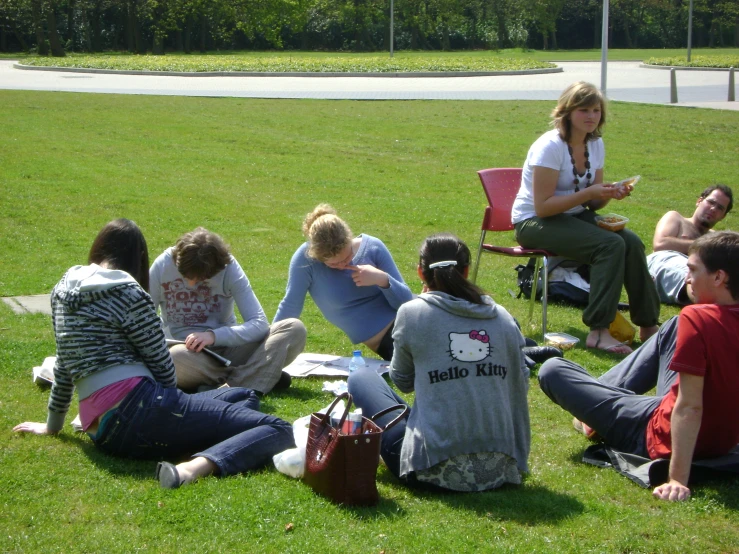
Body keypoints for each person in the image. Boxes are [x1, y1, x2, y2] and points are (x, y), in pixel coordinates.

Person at [13, 219, 295, 489]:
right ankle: (193, 468)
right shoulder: (128, 291)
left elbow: (64, 362)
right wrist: (176, 405)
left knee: (243, 396)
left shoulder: (62, 288)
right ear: (139, 259)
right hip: (141, 410)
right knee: (280, 429)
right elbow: (162, 367)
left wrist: (53, 425)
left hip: (100, 432)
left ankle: (211, 429)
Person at [538, 231, 739, 501]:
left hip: (663, 436)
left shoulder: (698, 318)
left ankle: (594, 414)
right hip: (721, 440)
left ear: (719, 277)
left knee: (553, 369)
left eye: (692, 270)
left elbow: (690, 406)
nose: (687, 278)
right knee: (674, 325)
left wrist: (677, 479)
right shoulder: (697, 320)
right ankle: (601, 402)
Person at [348, 234, 531, 491]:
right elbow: (521, 381)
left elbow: (403, 381)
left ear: (420, 273)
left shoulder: (413, 313)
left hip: (431, 470)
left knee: (361, 378)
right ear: (466, 271)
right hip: (503, 467)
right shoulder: (503, 317)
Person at [511, 81, 660, 355]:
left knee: (630, 241)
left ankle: (648, 324)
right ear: (567, 112)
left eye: (596, 110)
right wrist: (589, 192)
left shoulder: (596, 144)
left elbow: (592, 203)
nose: (592, 116)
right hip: (533, 222)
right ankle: (599, 331)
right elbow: (543, 207)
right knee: (610, 245)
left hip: (573, 216)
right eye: (584, 110)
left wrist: (610, 193)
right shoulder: (549, 147)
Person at [149, 228, 306, 393]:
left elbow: (259, 324)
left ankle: (224, 387)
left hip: (229, 349)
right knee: (174, 359)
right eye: (186, 277)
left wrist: (213, 336)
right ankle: (259, 376)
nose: (191, 284)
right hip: (190, 354)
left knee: (294, 328)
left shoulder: (229, 268)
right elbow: (143, 317)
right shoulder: (163, 265)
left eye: (201, 279)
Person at [273, 204, 413, 361]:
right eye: (333, 264)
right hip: (390, 342)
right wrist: (266, 350)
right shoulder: (306, 261)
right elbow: (289, 307)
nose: (342, 266)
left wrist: (381, 279)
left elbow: (407, 302)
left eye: (347, 258)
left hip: (411, 322)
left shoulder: (373, 247)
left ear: (350, 239)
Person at [648, 184, 733, 305]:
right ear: (699, 201)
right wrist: (705, 246)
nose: (713, 209)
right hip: (664, 261)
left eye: (720, 208)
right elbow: (660, 244)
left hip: (695, 274)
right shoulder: (676, 218)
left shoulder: (715, 238)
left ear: (723, 216)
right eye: (711, 202)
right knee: (694, 272)